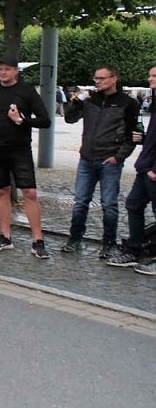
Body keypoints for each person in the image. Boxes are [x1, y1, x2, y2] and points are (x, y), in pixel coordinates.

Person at [0, 54, 52, 258]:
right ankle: (5, 236)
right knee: (1, 191)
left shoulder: (27, 91)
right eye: (0, 69)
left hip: (20, 149)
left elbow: (45, 120)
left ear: (16, 71)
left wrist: (22, 120)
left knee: (29, 192)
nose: (3, 72)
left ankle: (37, 240)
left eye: (7, 69)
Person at [61, 64, 139, 257]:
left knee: (109, 204)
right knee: (80, 201)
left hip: (109, 160)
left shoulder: (127, 103)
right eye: (96, 78)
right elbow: (69, 119)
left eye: (101, 78)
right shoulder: (90, 100)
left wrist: (118, 157)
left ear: (114, 79)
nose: (97, 81)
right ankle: (75, 239)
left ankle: (109, 243)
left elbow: (133, 135)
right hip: (87, 158)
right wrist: (77, 101)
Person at [106, 64, 156, 274]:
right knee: (133, 204)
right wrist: (144, 139)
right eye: (150, 75)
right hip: (145, 167)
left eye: (154, 76)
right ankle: (134, 249)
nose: (150, 79)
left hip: (152, 170)